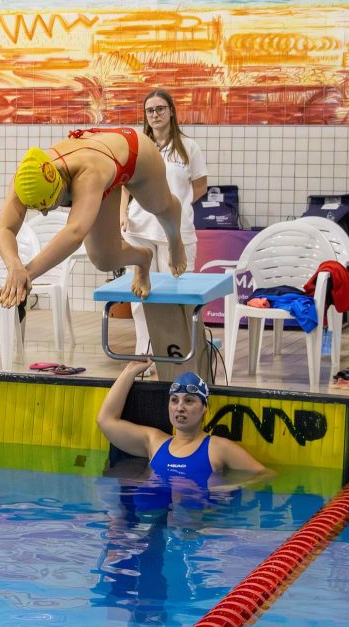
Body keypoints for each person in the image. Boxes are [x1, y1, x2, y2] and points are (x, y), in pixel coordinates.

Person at [0, 126, 186, 308]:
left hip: (134, 153)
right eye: (38, 208)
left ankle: (175, 240)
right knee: (104, 259)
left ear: (61, 185)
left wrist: (27, 274)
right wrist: (14, 266)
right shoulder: (26, 178)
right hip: (104, 162)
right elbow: (5, 229)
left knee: (160, 207)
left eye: (49, 205)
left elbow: (75, 232)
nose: (44, 213)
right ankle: (143, 258)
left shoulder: (88, 174)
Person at [121, 89, 209, 374]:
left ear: (171, 111)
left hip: (176, 234)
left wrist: (175, 207)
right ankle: (144, 357)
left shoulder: (188, 147)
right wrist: (123, 213)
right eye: (150, 110)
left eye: (160, 108)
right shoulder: (140, 146)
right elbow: (125, 185)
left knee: (178, 297)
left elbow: (200, 186)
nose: (155, 114)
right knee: (140, 300)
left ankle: (182, 359)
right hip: (140, 229)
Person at [97, 362, 269, 486]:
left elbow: (265, 474)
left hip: (196, 521)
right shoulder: (154, 441)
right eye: (174, 400)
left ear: (204, 408)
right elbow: (105, 420)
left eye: (189, 401)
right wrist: (129, 371)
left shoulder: (218, 447)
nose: (179, 407)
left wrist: (230, 487)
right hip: (155, 520)